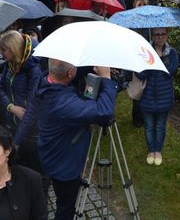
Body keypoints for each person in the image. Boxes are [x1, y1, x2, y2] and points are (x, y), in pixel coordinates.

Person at [35, 59, 118, 220]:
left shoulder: (45, 79)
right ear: (70, 73)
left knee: (64, 201)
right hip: (63, 165)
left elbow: (67, 72)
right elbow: (104, 111)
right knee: (66, 208)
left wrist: (95, 65)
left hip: (51, 153)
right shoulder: (63, 103)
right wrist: (106, 78)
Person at [0, 31, 44, 179]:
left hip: (30, 134)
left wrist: (16, 142)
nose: (1, 53)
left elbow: (31, 111)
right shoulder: (9, 65)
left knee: (35, 174)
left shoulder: (33, 71)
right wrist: (11, 107)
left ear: (14, 48)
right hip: (12, 126)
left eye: (4, 49)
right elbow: (0, 88)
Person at [136, 27, 179, 166]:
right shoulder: (145, 52)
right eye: (156, 34)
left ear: (167, 35)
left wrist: (160, 60)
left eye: (162, 34)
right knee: (149, 126)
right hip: (147, 95)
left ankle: (158, 151)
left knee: (160, 126)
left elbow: (171, 71)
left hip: (164, 96)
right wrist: (151, 60)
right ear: (152, 36)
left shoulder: (172, 53)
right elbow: (140, 74)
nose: (159, 37)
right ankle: (151, 150)